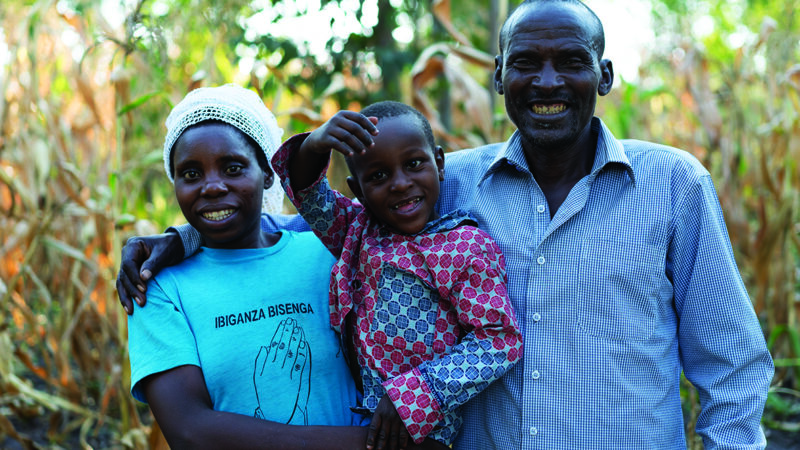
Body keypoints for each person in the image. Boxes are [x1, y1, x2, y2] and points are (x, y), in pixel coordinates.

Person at [118, 1, 774, 448]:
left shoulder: (673, 185)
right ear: (498, 77)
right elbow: (297, 227)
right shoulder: (438, 182)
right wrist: (182, 239)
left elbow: (732, 366)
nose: (547, 80)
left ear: (603, 75)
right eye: (526, 63)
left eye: (571, 61)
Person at [126, 84, 440, 450]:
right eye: (191, 174)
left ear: (269, 173)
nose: (211, 187)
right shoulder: (158, 285)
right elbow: (190, 431)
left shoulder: (332, 251)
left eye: (233, 167)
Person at [270, 100, 523, 449]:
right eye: (377, 176)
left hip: (428, 437)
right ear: (357, 190)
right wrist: (315, 143)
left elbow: (499, 340)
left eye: (414, 163)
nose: (401, 183)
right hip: (363, 427)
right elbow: (307, 194)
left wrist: (411, 397)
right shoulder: (354, 231)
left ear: (439, 162)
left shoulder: (463, 246)